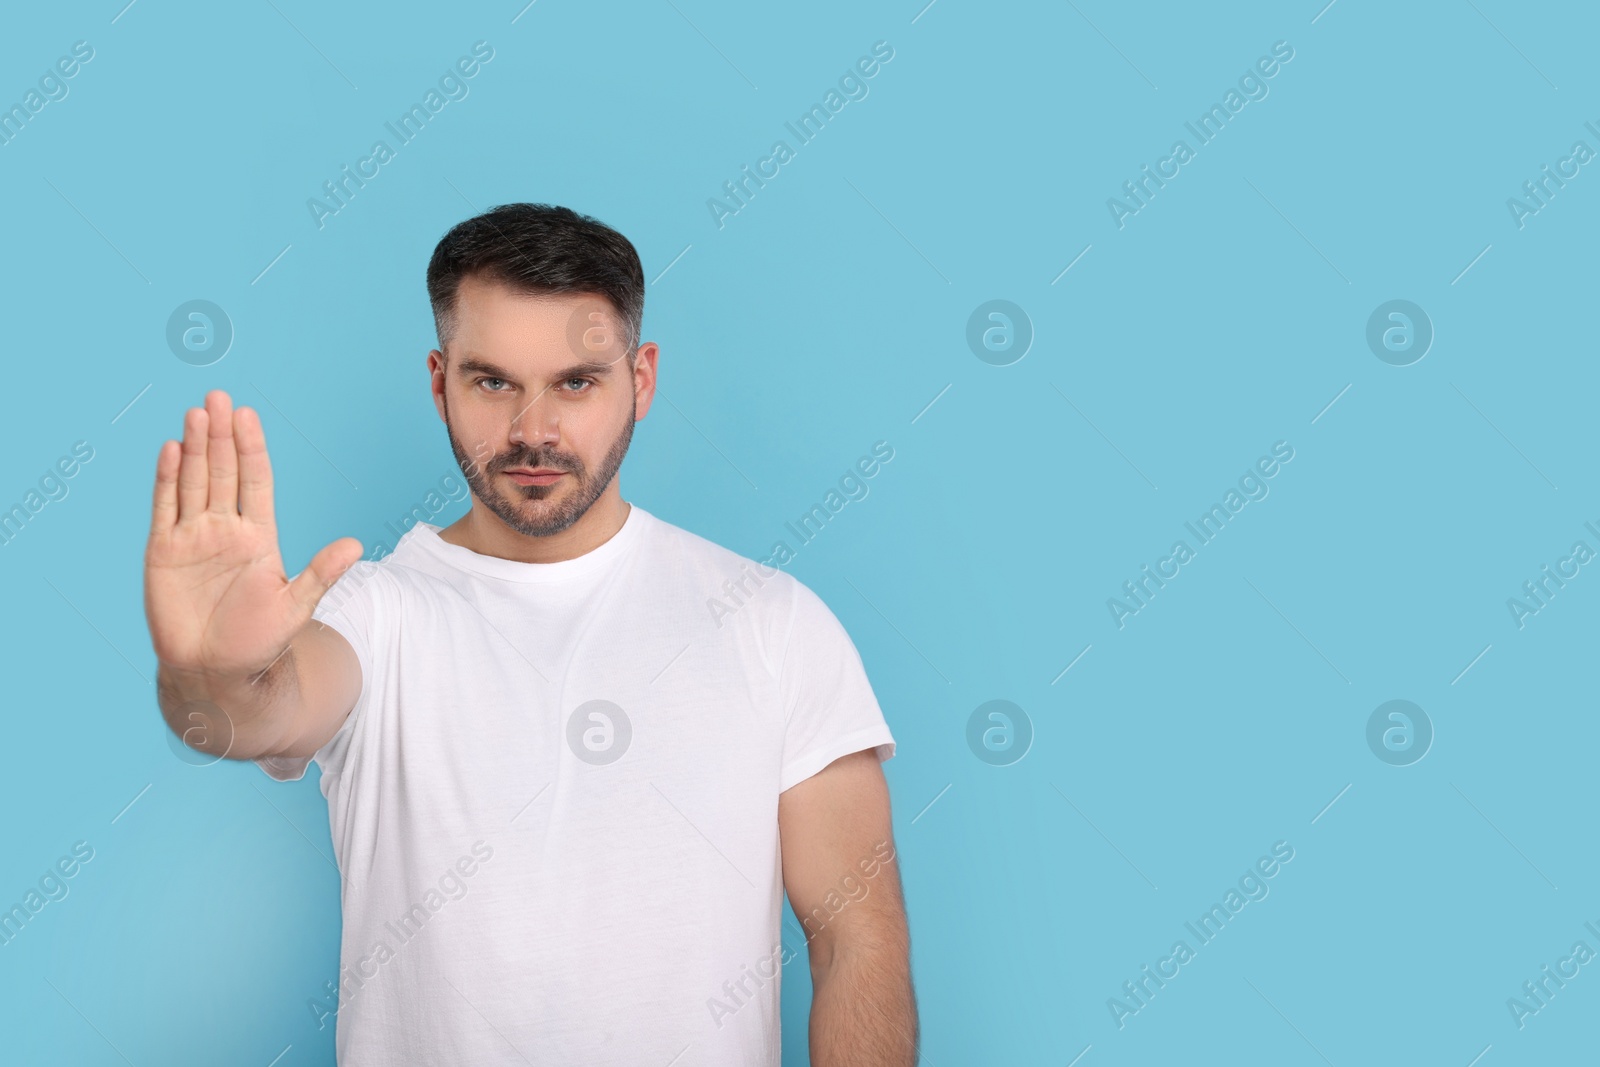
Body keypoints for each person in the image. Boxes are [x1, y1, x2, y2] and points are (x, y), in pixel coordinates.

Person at [143, 203, 917, 1065]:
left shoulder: (774, 623)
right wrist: (204, 671)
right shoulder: (374, 615)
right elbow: (255, 708)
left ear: (643, 379)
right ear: (439, 382)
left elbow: (859, 941)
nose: (534, 431)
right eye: (493, 381)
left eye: (576, 382)